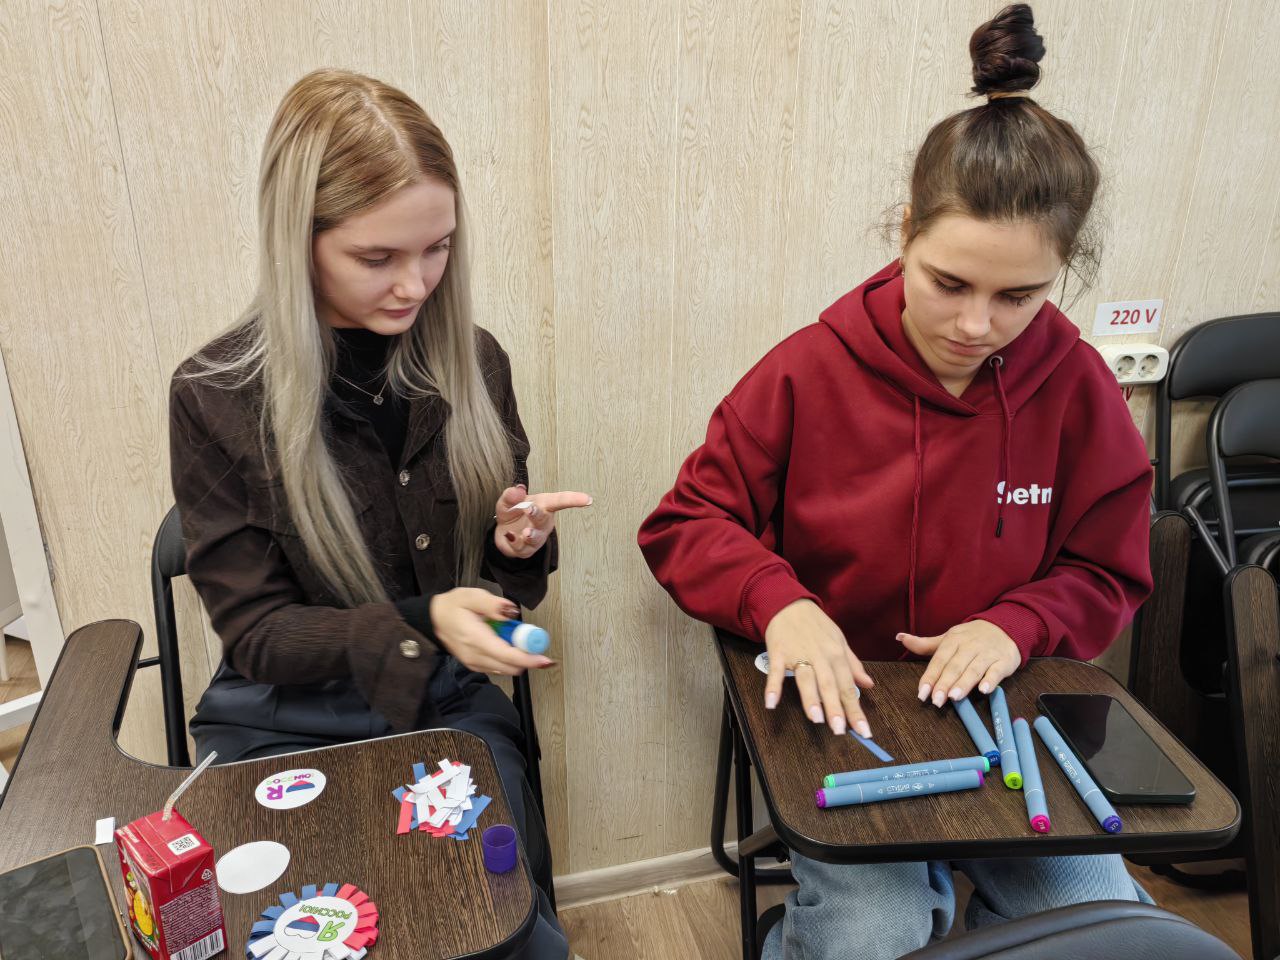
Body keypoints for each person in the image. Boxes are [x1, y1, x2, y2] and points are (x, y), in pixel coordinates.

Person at [637, 6, 1154, 957]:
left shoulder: (1078, 386)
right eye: (949, 282)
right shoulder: (808, 370)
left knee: (1102, 925)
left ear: (1060, 274)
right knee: (876, 928)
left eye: (1018, 296)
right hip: (844, 709)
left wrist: (1017, 623)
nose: (976, 325)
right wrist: (781, 604)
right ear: (906, 232)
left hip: (1008, 715)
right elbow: (686, 522)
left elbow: (1107, 569)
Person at [170, 69, 587, 958]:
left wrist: (515, 552)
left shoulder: (474, 364)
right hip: (280, 720)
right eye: (377, 258)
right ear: (299, 242)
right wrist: (422, 618)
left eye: (437, 249)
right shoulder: (215, 398)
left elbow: (504, 604)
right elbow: (258, 635)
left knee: (494, 928)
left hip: (445, 704)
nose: (415, 284)